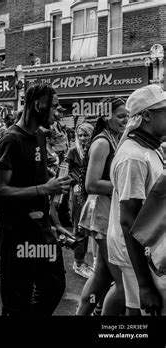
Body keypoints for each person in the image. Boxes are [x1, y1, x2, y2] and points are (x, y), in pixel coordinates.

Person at [0, 83, 70, 316]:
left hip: (40, 230)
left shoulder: (40, 137)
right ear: (37, 105)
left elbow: (39, 182)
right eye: (54, 106)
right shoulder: (11, 139)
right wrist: (44, 188)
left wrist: (54, 223)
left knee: (54, 285)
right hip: (17, 234)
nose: (58, 111)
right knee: (18, 299)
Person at [108, 85, 166, 315]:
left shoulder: (149, 149)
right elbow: (129, 220)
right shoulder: (133, 157)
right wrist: (145, 285)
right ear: (148, 115)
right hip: (141, 256)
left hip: (152, 249)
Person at [76, 97, 129, 315]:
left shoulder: (114, 138)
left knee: (101, 277)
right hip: (101, 212)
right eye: (120, 116)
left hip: (107, 210)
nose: (125, 119)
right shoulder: (102, 142)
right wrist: (125, 185)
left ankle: (82, 313)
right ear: (106, 116)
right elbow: (91, 183)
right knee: (123, 285)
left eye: (127, 115)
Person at [66, 123, 95, 279]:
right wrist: (74, 183)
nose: (83, 138)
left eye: (86, 135)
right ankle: (78, 263)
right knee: (80, 228)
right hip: (79, 195)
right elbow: (64, 169)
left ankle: (92, 263)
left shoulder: (95, 149)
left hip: (94, 192)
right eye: (80, 135)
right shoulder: (73, 151)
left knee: (94, 226)